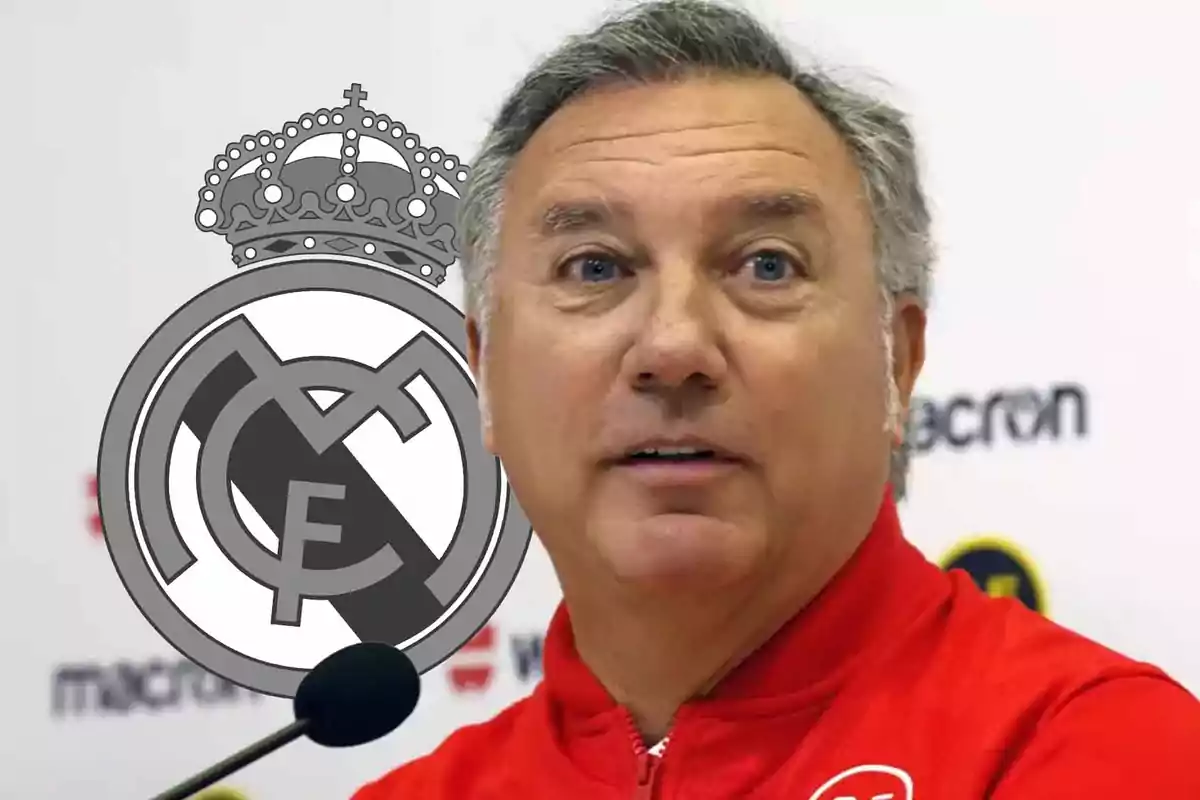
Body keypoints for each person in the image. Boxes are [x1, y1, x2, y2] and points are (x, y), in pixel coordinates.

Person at [354, 1, 1200, 797]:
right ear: (484, 369)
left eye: (767, 265)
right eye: (596, 268)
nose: (673, 346)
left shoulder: (1090, 746)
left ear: (897, 362)